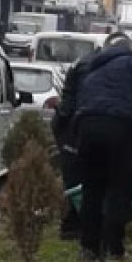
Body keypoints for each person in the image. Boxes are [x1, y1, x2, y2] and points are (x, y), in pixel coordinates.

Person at [73, 32, 132, 261]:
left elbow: (79, 101)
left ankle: (89, 248)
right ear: (130, 49)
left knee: (92, 189)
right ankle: (114, 249)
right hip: (122, 130)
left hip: (88, 129)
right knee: (120, 190)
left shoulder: (92, 68)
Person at [50, 51, 96, 240]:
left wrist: (59, 126)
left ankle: (71, 225)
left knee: (73, 181)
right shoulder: (116, 67)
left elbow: (67, 104)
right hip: (101, 129)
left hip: (74, 130)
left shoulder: (79, 66)